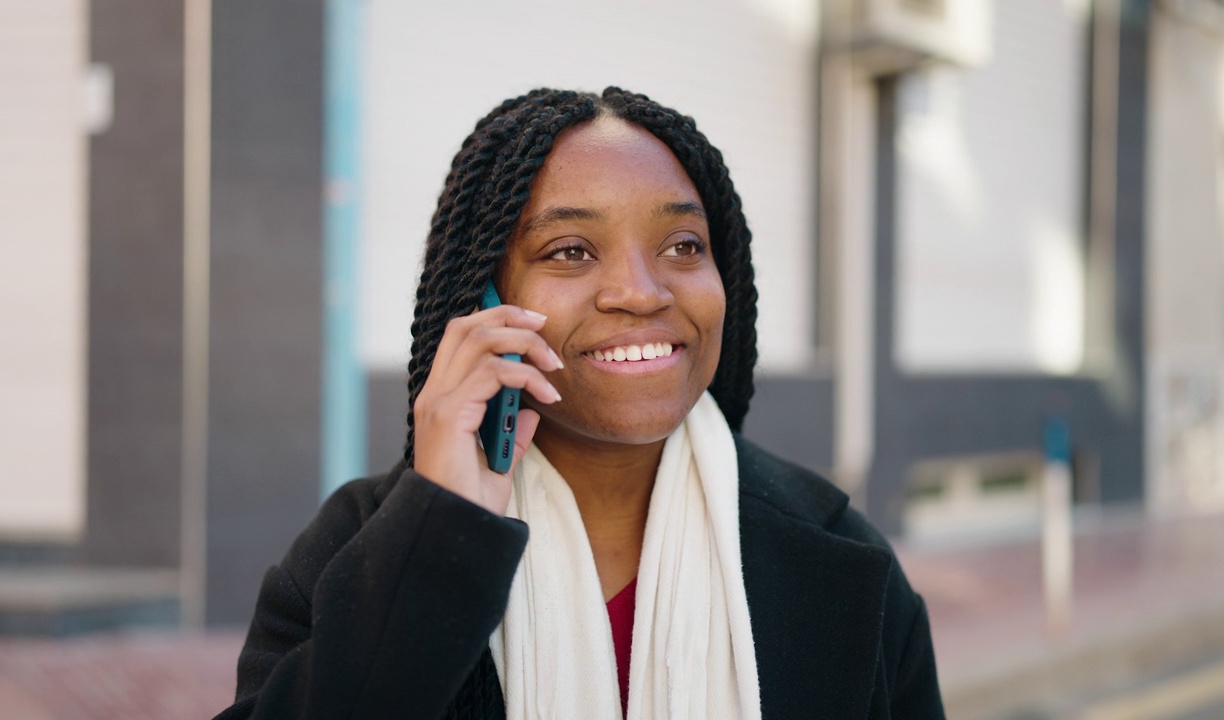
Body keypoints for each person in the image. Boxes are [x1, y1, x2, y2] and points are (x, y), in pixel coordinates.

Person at [214, 87, 944, 720]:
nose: (642, 291)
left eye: (684, 246)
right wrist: (439, 539)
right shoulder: (358, 549)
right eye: (570, 250)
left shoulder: (844, 555)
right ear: (484, 301)